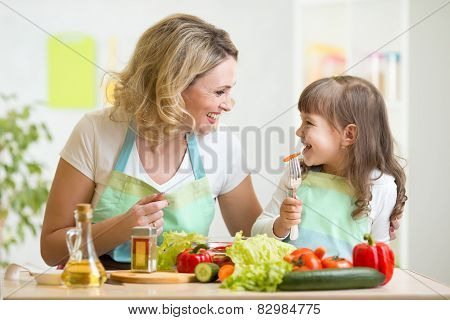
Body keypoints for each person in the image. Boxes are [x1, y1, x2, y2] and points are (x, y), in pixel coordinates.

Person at [41, 14, 262, 268]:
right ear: (173, 86)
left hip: (186, 304)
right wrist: (118, 229)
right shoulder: (96, 131)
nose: (228, 105)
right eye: (219, 92)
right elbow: (51, 249)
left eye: (230, 90)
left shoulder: (224, 145)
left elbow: (257, 242)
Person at [252, 76, 406, 260]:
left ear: (348, 134)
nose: (299, 131)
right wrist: (281, 224)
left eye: (308, 123)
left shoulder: (381, 186)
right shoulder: (297, 173)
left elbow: (380, 256)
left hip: (350, 288)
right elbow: (256, 232)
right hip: (292, 286)